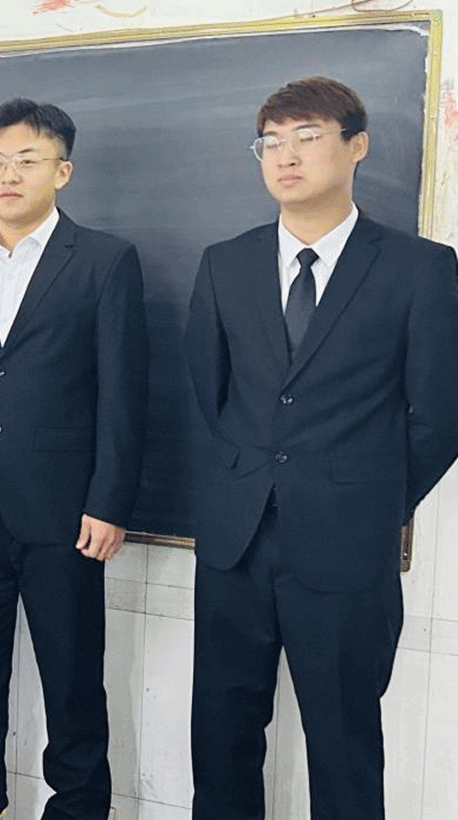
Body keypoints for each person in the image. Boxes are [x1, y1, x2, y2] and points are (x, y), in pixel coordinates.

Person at [184, 76, 458, 820]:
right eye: (270, 142)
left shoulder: (419, 268)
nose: (286, 156)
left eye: (306, 137)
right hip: (237, 543)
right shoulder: (225, 263)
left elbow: (438, 415)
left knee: (343, 745)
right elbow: (209, 395)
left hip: (346, 547)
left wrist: (368, 499)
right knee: (221, 738)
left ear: (356, 146)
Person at [0, 98, 148, 820]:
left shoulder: (104, 260)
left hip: (65, 511)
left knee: (72, 680)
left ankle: (78, 809)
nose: (8, 175)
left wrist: (110, 500)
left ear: (62, 171)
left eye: (26, 161)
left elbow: (124, 392)